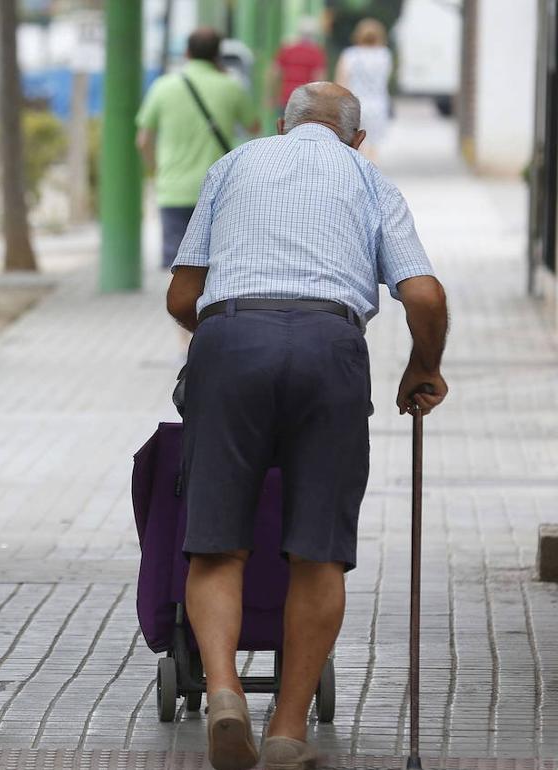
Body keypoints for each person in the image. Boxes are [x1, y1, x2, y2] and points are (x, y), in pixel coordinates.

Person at [166, 82, 448, 769]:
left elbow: (182, 295)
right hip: (331, 347)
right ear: (356, 138)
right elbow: (424, 294)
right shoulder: (367, 177)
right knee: (319, 550)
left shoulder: (234, 165)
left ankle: (227, 694)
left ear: (280, 125)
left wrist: (225, 343)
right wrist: (423, 366)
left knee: (215, 548)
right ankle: (289, 733)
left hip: (232, 336)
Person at [137, 27, 259, 270]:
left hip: (173, 188)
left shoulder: (163, 86)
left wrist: (155, 170)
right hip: (219, 191)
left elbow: (142, 140)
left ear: (187, 52)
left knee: (177, 270)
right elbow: (254, 128)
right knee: (214, 266)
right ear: (217, 55)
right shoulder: (230, 86)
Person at [336, 18, 392, 161]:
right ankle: (372, 175)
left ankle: (358, 177)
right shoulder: (385, 55)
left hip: (354, 104)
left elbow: (341, 81)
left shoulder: (350, 55)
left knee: (356, 145)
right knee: (374, 146)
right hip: (378, 105)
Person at [272, 18, 327, 121]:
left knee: (284, 128)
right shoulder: (316, 53)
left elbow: (275, 73)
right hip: (306, 99)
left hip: (286, 97)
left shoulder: (287, 49)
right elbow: (319, 79)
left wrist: (273, 96)